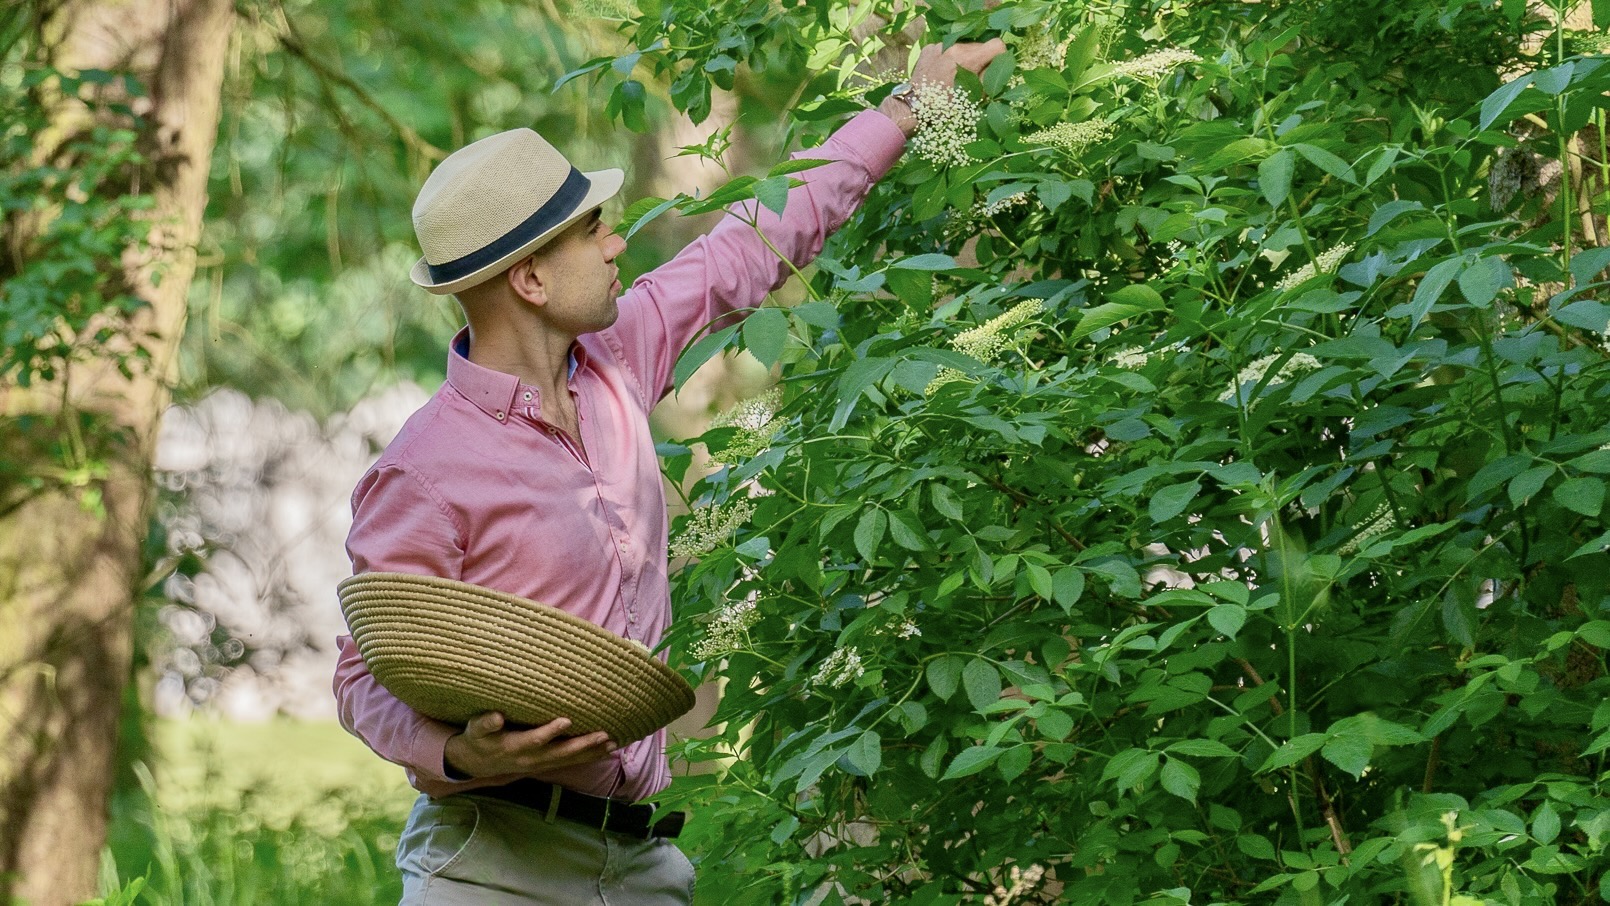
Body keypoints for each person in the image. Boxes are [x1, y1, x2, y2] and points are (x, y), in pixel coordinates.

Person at [333, 36, 1007, 906]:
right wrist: (461, 755)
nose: (618, 245)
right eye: (593, 230)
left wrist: (904, 111)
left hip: (641, 863)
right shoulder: (425, 471)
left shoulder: (617, 360)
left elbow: (750, 245)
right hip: (488, 867)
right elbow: (361, 674)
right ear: (532, 277)